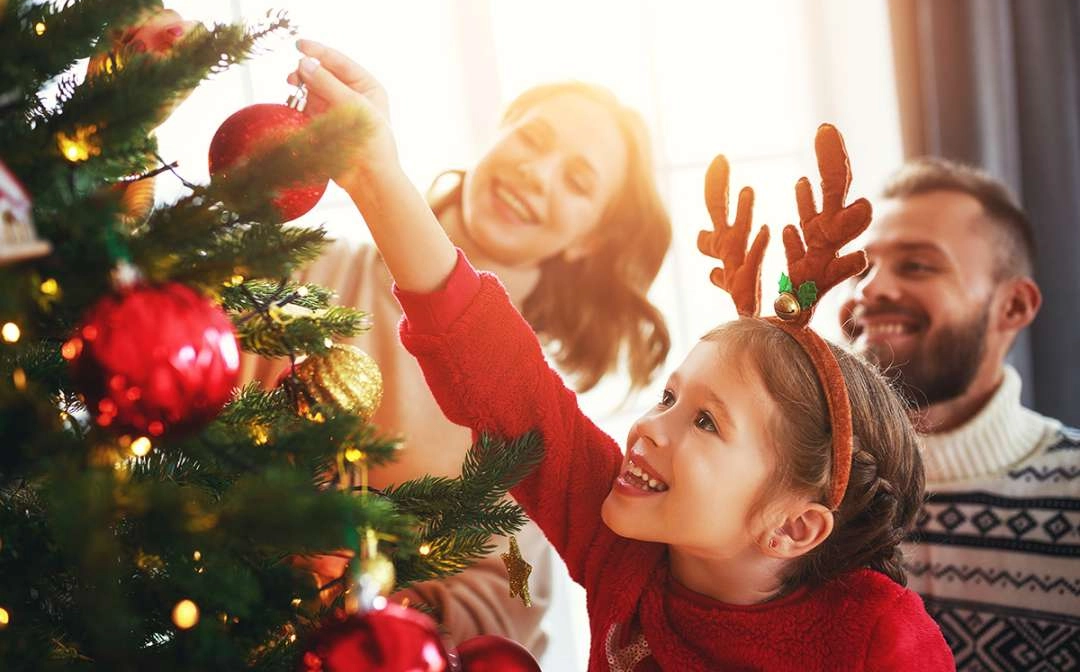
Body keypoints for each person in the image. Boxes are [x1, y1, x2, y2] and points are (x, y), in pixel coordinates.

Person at [292, 44, 953, 670]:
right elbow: (493, 367)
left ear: (791, 527)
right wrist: (377, 175)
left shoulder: (874, 635)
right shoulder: (624, 548)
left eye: (704, 422)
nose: (646, 427)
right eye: (670, 398)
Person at [244, 40, 672, 657]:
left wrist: (371, 607)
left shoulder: (528, 416)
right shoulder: (319, 271)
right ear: (495, 136)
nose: (536, 172)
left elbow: (508, 603)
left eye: (577, 181)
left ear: (588, 241)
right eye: (532, 139)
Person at [839, 158, 1080, 670]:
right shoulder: (810, 489)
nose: (868, 290)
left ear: (1013, 306)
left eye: (917, 265)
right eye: (861, 268)